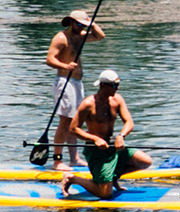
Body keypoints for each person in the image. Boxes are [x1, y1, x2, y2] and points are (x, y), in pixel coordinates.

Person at [60, 70, 153, 198]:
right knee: (105, 193)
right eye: (114, 85)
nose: (117, 88)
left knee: (145, 161)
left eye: (118, 85)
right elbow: (73, 128)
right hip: (96, 150)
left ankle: (112, 177)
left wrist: (121, 136)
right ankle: (73, 178)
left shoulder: (117, 99)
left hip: (113, 145)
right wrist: (95, 139)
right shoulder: (88, 104)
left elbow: (129, 122)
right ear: (103, 85)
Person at [46, 9, 105, 171]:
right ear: (71, 22)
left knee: (74, 122)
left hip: (77, 83)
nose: (82, 27)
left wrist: (92, 24)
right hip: (65, 82)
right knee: (65, 121)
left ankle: (74, 159)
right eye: (79, 24)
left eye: (83, 25)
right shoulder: (61, 38)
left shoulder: (80, 36)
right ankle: (57, 161)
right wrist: (65, 66)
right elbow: (49, 59)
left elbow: (100, 36)